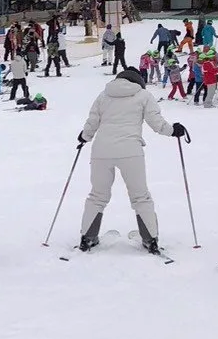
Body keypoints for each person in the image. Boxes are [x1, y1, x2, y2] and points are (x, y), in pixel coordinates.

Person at [77, 66, 183, 253]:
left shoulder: (103, 96)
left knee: (97, 195)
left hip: (101, 151)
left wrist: (84, 137)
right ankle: (150, 240)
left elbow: (92, 122)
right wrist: (174, 130)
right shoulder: (143, 95)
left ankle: (88, 238)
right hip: (131, 152)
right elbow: (157, 123)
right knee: (140, 196)